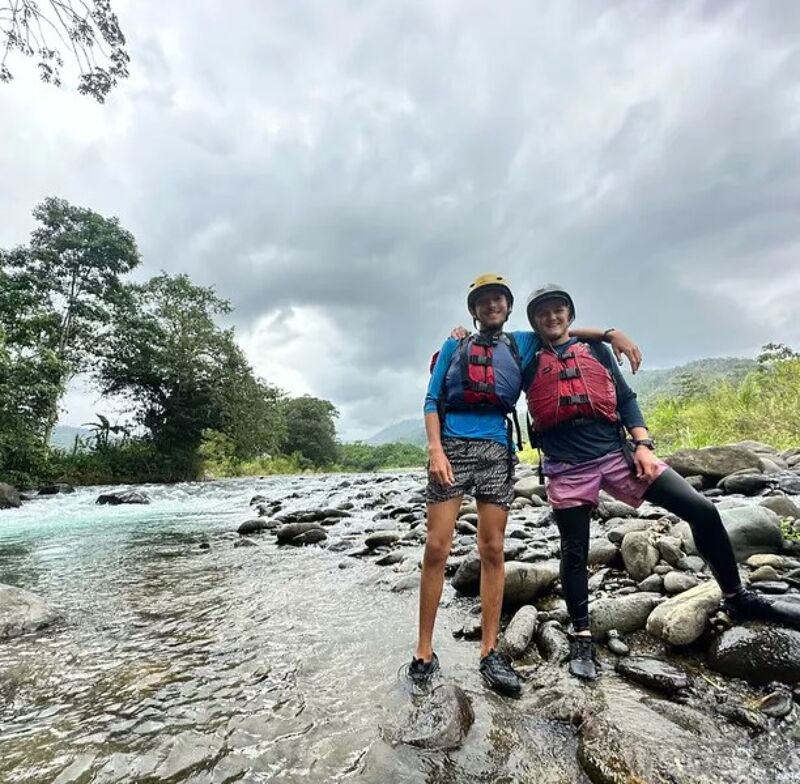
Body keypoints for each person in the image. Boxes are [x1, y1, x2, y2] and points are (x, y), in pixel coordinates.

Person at [524, 284, 800, 680]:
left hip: (616, 452)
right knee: (574, 549)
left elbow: (625, 399)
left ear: (569, 314)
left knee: (701, 510)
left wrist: (643, 445)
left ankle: (736, 596)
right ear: (534, 321)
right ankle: (582, 634)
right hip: (566, 465)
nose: (551, 318)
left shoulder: (597, 351)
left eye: (558, 310)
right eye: (543, 313)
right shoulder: (527, 358)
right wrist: (607, 330)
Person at [408, 274, 641, 697]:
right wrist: (436, 450)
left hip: (498, 450)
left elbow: (565, 331)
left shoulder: (522, 342)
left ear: (509, 306)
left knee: (493, 549)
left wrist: (612, 334)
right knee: (437, 548)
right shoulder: (452, 345)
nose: (492, 305)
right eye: (483, 301)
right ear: (474, 310)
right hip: (453, 449)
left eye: (498, 299)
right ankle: (423, 652)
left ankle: (490, 652)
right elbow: (431, 399)